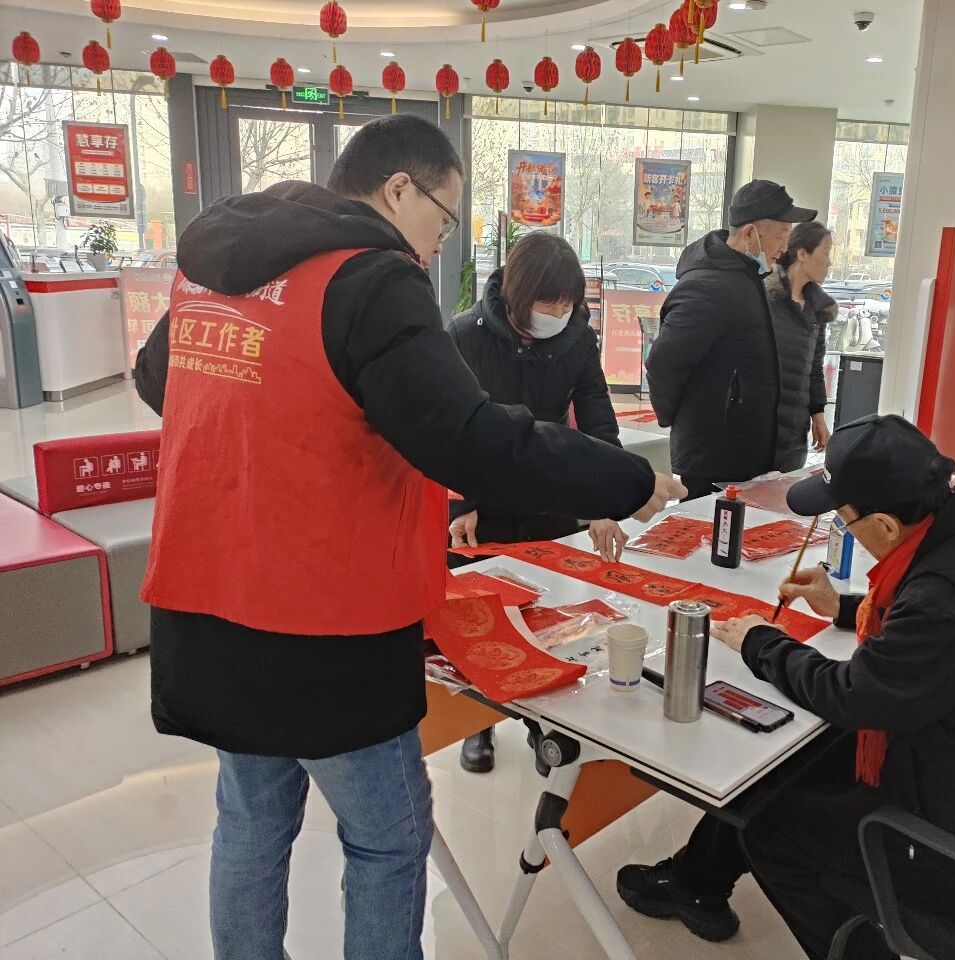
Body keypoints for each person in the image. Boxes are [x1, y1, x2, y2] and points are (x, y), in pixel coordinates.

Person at [133, 115, 685, 960]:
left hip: (207, 610)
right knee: (387, 841)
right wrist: (629, 481)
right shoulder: (369, 278)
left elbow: (157, 380)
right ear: (398, 189)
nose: (436, 244)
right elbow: (470, 439)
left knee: (249, 823)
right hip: (325, 625)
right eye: (442, 217)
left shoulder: (210, 269)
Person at [616, 415, 955, 960]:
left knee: (774, 830)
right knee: (787, 764)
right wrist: (843, 607)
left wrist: (762, 643)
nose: (843, 529)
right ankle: (698, 880)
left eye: (844, 520)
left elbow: (854, 695)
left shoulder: (944, 598)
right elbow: (929, 647)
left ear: (886, 527)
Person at [447, 230, 628, 774]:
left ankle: (543, 723)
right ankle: (476, 722)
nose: (558, 313)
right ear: (516, 293)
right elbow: (445, 427)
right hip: (483, 501)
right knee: (480, 617)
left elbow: (596, 416)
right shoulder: (464, 336)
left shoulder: (577, 339)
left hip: (549, 495)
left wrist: (607, 496)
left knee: (549, 615)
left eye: (567, 303)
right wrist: (461, 504)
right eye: (548, 302)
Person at [645, 179, 817, 499]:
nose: (785, 247)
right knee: (711, 531)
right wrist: (681, 418)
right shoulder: (708, 286)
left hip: (749, 458)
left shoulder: (752, 279)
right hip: (716, 460)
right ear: (750, 233)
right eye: (781, 235)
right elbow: (663, 364)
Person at [763, 221, 835, 470]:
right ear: (802, 254)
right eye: (825, 253)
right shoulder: (764, 298)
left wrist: (818, 415)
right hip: (760, 429)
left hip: (795, 434)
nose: (829, 262)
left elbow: (814, 368)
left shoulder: (819, 310)